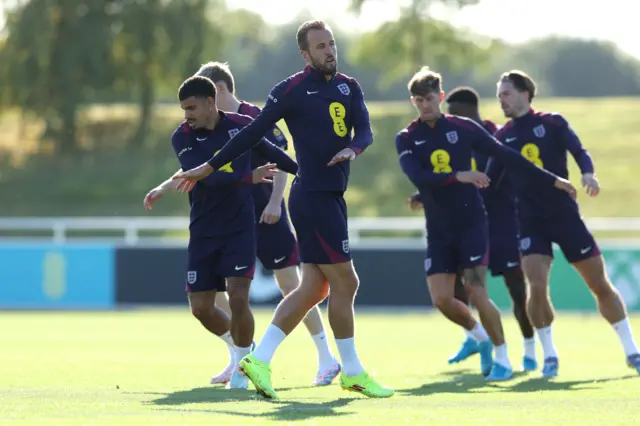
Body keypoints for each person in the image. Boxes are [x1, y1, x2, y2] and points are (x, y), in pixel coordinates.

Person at [172, 20, 393, 399]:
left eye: (331, 44)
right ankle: (352, 370)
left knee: (312, 288)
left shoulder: (349, 87)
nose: (329, 51)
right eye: (320, 46)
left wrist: (352, 149)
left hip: (331, 195)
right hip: (313, 197)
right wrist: (210, 166)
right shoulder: (291, 89)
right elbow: (251, 134)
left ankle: (260, 360)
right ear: (305, 54)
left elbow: (366, 132)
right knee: (346, 283)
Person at [149, 61, 341, 387]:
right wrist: (168, 186)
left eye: (191, 106)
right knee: (208, 302)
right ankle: (240, 352)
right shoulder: (184, 135)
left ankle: (324, 358)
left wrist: (282, 196)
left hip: (262, 215)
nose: (187, 114)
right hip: (215, 220)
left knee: (281, 288)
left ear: (216, 93)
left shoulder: (251, 120)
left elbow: (279, 158)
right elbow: (199, 171)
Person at [395, 67, 576, 381]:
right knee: (441, 299)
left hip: (472, 223)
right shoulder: (407, 138)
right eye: (419, 100)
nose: (425, 105)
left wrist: (553, 179)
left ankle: (503, 358)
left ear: (440, 97)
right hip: (439, 229)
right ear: (413, 101)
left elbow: (508, 155)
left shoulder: (464, 128)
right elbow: (419, 177)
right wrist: (459, 176)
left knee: (477, 292)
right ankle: (480, 338)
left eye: (430, 99)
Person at [494, 70, 640, 377]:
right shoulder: (502, 137)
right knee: (536, 284)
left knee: (598, 284)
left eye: (506, 93)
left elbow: (579, 151)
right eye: (499, 95)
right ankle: (550, 355)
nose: (501, 100)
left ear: (524, 93)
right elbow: (491, 180)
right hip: (530, 222)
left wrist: (588, 172)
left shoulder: (553, 122)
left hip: (565, 216)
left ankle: (632, 351)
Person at [408, 86, 537, 371]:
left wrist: (548, 181)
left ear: (468, 109)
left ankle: (528, 349)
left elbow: (503, 166)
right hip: (455, 222)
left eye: (452, 111)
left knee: (512, 287)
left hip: (499, 221)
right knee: (453, 290)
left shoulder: (488, 132)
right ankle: (476, 337)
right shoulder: (423, 136)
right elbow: (434, 175)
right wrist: (426, 195)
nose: (447, 117)